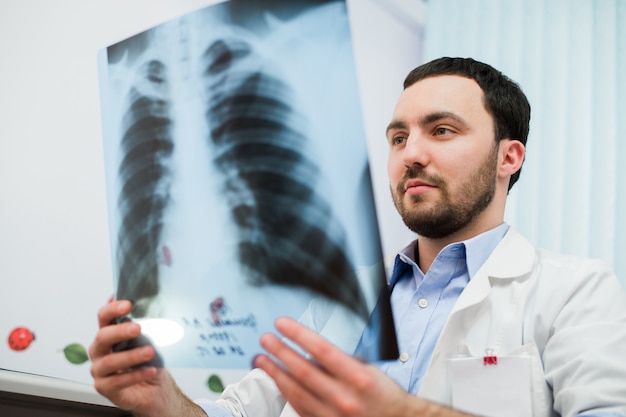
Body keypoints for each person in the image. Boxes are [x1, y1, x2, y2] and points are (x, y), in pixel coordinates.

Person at [89, 57, 626, 417]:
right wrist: (163, 401)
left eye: (441, 130)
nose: (410, 153)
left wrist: (406, 413)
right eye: (399, 136)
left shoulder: (575, 291)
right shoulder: (338, 297)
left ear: (509, 156)